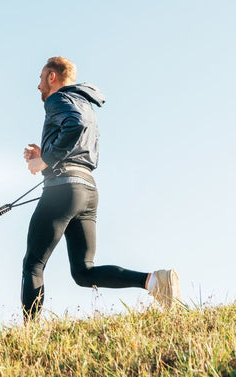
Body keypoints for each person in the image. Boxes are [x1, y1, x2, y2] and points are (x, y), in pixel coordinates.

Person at [21, 56, 179, 322]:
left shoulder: (58, 99)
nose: (38, 86)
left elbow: (75, 126)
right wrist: (44, 154)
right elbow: (79, 142)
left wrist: (45, 159)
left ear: (52, 77)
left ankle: (29, 333)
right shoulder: (82, 102)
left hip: (63, 189)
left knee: (33, 264)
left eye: (40, 78)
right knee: (83, 272)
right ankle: (154, 282)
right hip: (87, 190)